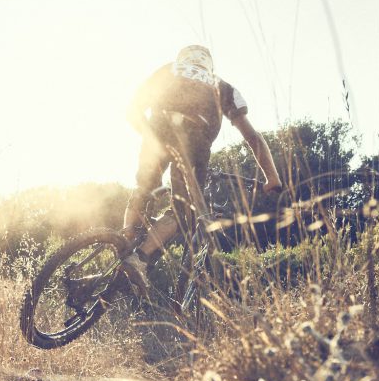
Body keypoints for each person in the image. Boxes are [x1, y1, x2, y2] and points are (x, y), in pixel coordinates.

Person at [120, 45, 282, 289]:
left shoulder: (167, 70)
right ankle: (139, 259)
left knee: (143, 188)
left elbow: (132, 109)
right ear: (209, 65)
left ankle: (122, 239)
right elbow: (252, 136)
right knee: (183, 211)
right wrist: (272, 177)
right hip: (195, 138)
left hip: (157, 127)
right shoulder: (223, 87)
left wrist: (150, 136)